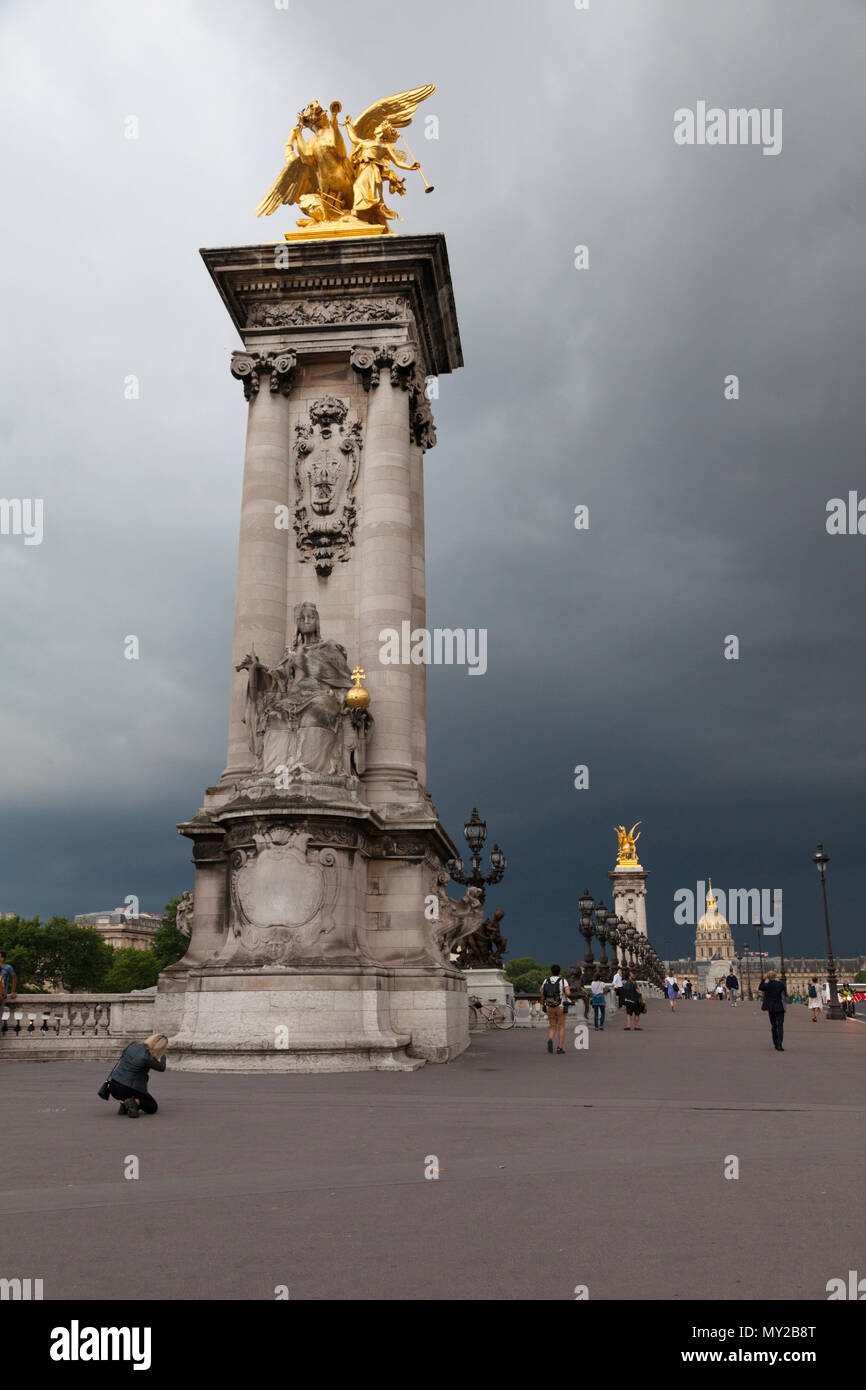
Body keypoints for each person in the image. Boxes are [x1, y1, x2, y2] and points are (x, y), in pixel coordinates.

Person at [107, 1034, 168, 1115]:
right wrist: (163, 1056)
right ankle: (133, 1102)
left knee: (134, 1092)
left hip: (113, 1085)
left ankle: (126, 1105)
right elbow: (161, 1068)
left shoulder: (132, 1045)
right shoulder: (147, 1057)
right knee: (152, 1106)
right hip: (127, 1088)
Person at [540, 965, 571, 1054]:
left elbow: (542, 993)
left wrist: (543, 1004)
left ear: (551, 972)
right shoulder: (563, 980)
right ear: (559, 971)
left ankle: (550, 1039)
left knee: (552, 1026)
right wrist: (566, 991)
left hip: (550, 1006)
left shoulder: (546, 980)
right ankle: (559, 1048)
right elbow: (568, 993)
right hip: (560, 1006)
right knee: (561, 1027)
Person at [757, 972, 787, 1051]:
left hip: (771, 1008)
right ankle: (780, 1044)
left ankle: (775, 1043)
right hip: (780, 1007)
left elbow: (760, 987)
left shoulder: (767, 985)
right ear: (775, 976)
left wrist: (763, 979)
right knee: (780, 1026)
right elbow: (785, 995)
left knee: (774, 1026)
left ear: (768, 977)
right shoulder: (780, 984)